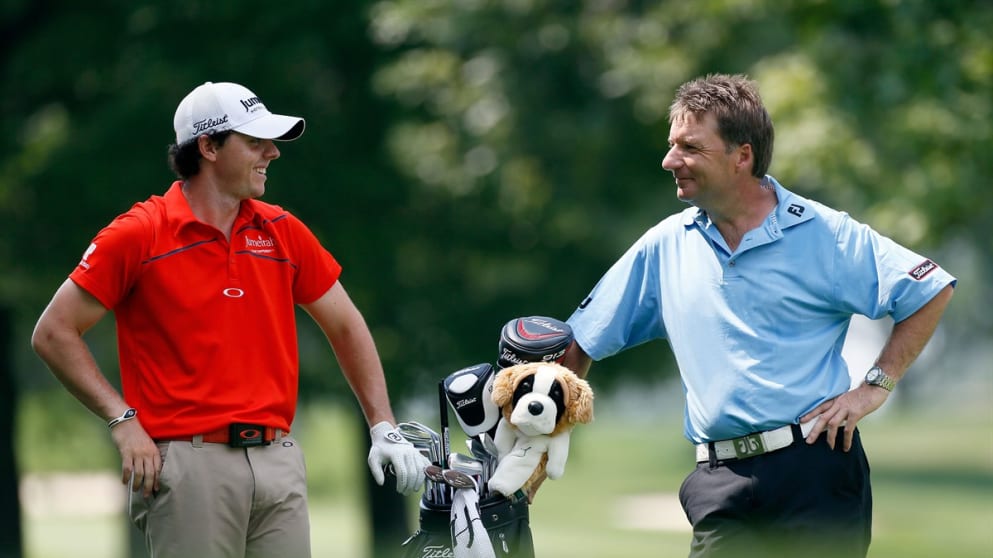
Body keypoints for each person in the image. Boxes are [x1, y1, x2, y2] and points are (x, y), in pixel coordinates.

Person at [557, 74, 955, 558]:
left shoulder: (825, 234)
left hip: (817, 473)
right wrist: (536, 440)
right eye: (672, 145)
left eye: (690, 147)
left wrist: (876, 387)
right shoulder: (665, 244)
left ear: (741, 156)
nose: (670, 161)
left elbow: (929, 288)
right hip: (719, 483)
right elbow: (580, 342)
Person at [30, 81, 429, 558]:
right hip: (187, 465)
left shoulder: (281, 231)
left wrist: (382, 424)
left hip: (278, 459)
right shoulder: (140, 234)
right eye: (255, 142)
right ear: (208, 147)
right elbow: (53, 333)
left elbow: (347, 325)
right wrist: (122, 421)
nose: (272, 153)